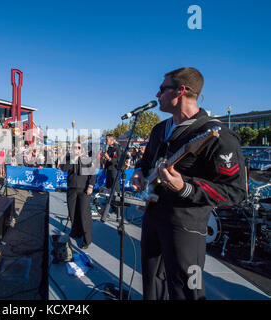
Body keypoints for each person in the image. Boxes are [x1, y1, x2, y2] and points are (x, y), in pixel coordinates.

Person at [130, 67, 246, 300]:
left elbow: (235, 192)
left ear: (181, 91)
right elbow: (146, 161)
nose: (157, 94)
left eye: (162, 89)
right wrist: (138, 173)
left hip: (186, 225)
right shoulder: (159, 129)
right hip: (153, 216)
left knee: (187, 288)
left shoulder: (218, 135)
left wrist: (185, 187)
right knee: (152, 282)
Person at [60, 142, 96, 249]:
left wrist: (90, 186)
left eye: (79, 148)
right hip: (72, 189)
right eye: (75, 148)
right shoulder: (69, 159)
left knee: (84, 214)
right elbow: (64, 169)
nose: (77, 149)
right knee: (72, 212)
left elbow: (92, 174)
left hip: (84, 190)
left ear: (82, 149)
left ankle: (86, 239)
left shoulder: (87, 159)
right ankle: (76, 232)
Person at [103, 134, 122, 214]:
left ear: (111, 140)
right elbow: (108, 160)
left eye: (107, 140)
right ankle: (110, 205)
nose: (105, 141)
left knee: (115, 189)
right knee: (109, 188)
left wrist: (109, 158)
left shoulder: (117, 148)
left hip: (114, 171)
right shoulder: (109, 148)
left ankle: (117, 208)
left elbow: (118, 161)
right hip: (109, 171)